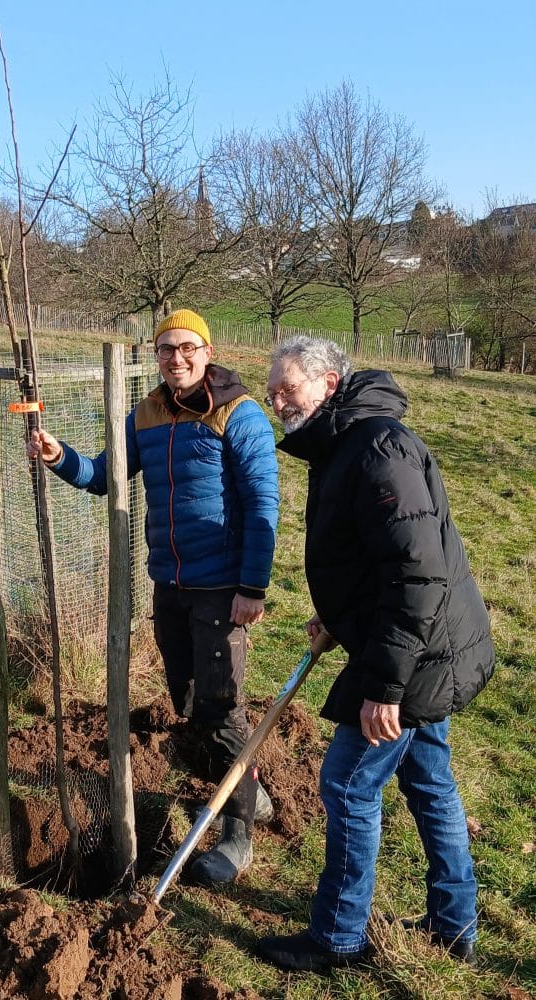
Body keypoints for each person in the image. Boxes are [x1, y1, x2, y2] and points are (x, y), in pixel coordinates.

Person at [257, 336, 494, 972]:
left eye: (288, 389)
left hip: (417, 656)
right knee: (429, 781)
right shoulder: (345, 442)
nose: (277, 401)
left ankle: (337, 936)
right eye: (273, 390)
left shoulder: (378, 447)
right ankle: (455, 923)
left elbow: (415, 575)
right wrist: (337, 617)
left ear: (328, 386)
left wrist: (385, 687)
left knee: (346, 783)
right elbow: (374, 559)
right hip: (418, 642)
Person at [28, 308, 279, 886]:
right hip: (169, 585)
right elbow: (105, 475)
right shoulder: (144, 414)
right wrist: (56, 455)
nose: (177, 359)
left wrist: (251, 588)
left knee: (223, 710)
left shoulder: (237, 414)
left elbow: (264, 503)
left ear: (207, 352)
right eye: (166, 349)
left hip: (222, 588)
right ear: (156, 355)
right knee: (190, 704)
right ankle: (252, 796)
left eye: (188, 348)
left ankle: (237, 836)